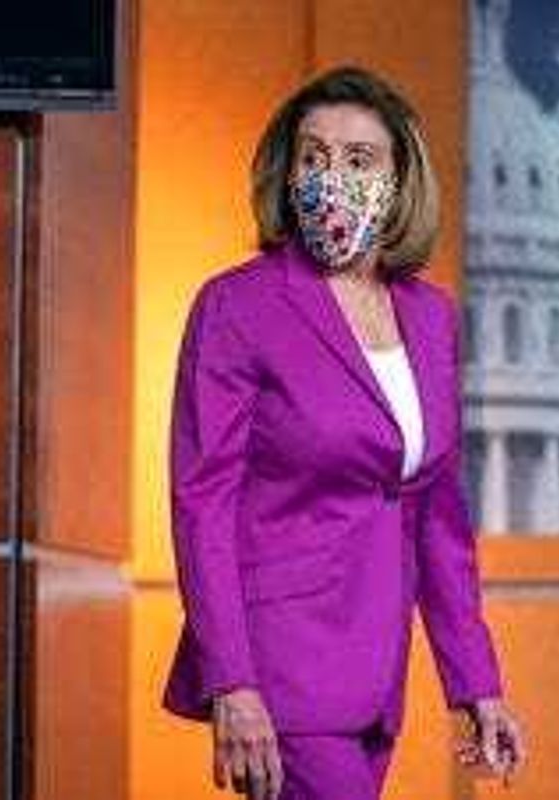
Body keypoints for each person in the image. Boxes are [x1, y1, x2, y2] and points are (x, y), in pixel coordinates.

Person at [161, 64, 527, 800]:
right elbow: (203, 503)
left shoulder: (429, 317)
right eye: (313, 156)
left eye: (359, 160)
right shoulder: (239, 305)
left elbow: (434, 518)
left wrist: (474, 683)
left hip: (375, 667)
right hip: (278, 665)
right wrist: (231, 680)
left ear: (400, 180)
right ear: (287, 170)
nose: (332, 176)